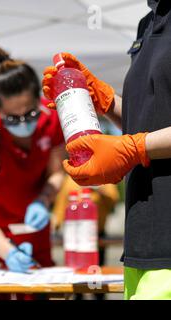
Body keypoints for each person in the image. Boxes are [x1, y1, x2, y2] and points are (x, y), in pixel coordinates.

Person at [42, 0, 171, 300]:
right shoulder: (148, 22)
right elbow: (149, 118)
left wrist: (136, 148)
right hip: (143, 239)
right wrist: (106, 100)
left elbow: (141, 141)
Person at [0, 45, 65, 299]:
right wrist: (7, 252)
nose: (23, 123)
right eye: (12, 118)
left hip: (32, 228)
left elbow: (57, 172)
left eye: (29, 113)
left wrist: (44, 200)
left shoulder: (52, 120)